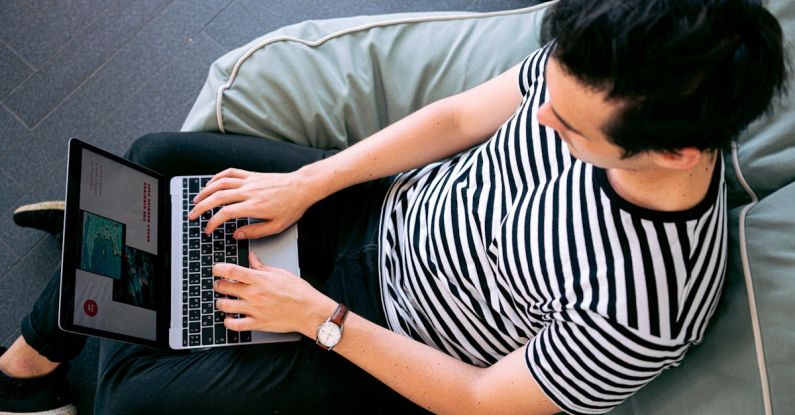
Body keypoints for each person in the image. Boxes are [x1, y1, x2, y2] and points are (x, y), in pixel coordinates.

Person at [0, 0, 787, 414]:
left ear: (677, 152)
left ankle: (83, 298)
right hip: (382, 211)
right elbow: (451, 120)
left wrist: (317, 317)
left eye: (567, 126)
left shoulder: (641, 310)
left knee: (132, 398)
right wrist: (308, 185)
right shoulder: (597, 65)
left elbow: (480, 401)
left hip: (387, 338)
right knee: (159, 157)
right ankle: (81, 308)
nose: (539, 116)